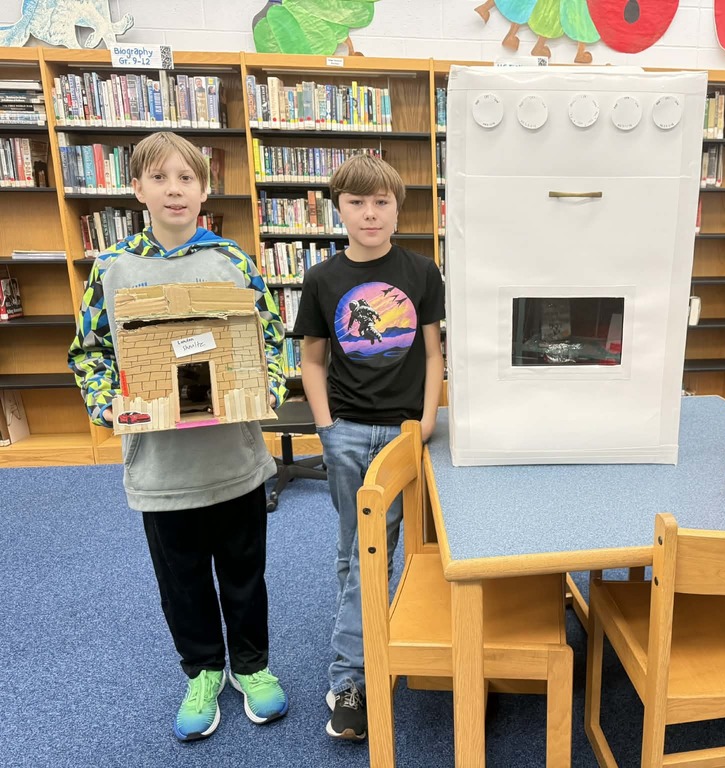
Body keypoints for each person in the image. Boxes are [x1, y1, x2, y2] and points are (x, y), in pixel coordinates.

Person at [68, 131, 289, 742]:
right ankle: (203, 669)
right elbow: (89, 353)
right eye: (159, 178)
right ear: (135, 187)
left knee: (245, 571)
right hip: (161, 468)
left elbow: (269, 339)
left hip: (234, 458)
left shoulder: (232, 261)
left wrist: (264, 385)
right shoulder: (112, 269)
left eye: (186, 178)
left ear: (204, 189)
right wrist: (107, 405)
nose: (174, 189)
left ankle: (252, 664)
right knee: (182, 579)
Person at [291, 154, 445, 741]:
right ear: (339, 209)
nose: (369, 212)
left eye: (381, 201)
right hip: (347, 432)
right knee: (357, 550)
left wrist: (426, 421)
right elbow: (311, 360)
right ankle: (362, 634)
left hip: (405, 433)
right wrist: (327, 430)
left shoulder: (423, 272)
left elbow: (433, 355)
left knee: (369, 552)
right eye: (357, 202)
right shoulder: (323, 279)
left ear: (397, 208)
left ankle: (348, 675)